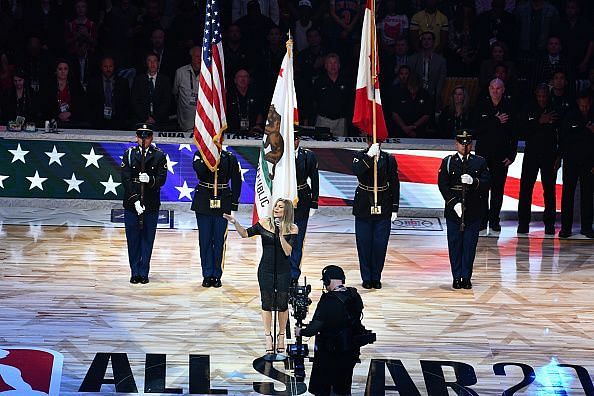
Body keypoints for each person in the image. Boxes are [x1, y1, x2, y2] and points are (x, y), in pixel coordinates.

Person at [224, 199, 298, 354]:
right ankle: (268, 336)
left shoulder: (292, 228)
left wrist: (280, 234)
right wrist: (235, 222)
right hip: (266, 269)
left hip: (283, 271)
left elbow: (287, 251)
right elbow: (245, 234)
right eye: (276, 206)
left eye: (280, 207)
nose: (276, 208)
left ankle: (281, 335)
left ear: (287, 211)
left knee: (282, 304)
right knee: (267, 302)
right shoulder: (264, 223)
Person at [294, 265, 364, 396]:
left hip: (330, 354)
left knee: (326, 389)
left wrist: (301, 332)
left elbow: (314, 328)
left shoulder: (328, 301)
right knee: (344, 387)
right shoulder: (355, 295)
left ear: (328, 280)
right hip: (351, 352)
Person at [438, 131, 490, 290]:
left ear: (471, 145)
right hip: (454, 211)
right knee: (455, 245)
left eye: (468, 143)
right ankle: (456, 276)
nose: (465, 146)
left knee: (469, 246)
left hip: (473, 210)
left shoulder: (479, 162)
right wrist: (454, 204)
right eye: (462, 143)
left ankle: (466, 277)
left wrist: (474, 181)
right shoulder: (448, 162)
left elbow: (487, 182)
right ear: (456, 144)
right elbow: (443, 185)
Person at [121, 124, 168, 284]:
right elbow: (126, 179)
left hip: (150, 202)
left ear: (151, 138)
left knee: (148, 238)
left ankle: (144, 271)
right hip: (131, 202)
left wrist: (150, 180)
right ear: (136, 138)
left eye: (146, 137)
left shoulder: (159, 155)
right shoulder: (129, 154)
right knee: (133, 239)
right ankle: (135, 271)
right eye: (141, 137)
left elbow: (162, 179)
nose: (143, 140)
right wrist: (134, 201)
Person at [352, 139, 400, 289]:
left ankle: (376, 276)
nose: (376, 143)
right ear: (367, 141)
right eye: (372, 140)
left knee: (380, 244)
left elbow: (394, 182)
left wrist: (394, 208)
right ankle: (366, 277)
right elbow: (357, 171)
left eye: (378, 140)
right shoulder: (359, 156)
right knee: (364, 243)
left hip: (383, 204)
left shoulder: (389, 159)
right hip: (364, 205)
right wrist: (368, 157)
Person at [191, 148, 242, 288]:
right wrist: (210, 158)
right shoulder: (199, 155)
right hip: (203, 201)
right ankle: (207, 274)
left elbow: (237, 180)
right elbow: (200, 171)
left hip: (223, 201)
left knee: (219, 241)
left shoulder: (229, 157)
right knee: (205, 240)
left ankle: (217, 274)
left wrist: (234, 204)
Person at [474, 78, 517, 231]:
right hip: (483, 157)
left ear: (503, 90)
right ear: (489, 89)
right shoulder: (481, 106)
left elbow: (514, 133)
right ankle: (482, 220)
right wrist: (494, 120)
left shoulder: (510, 107)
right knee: (482, 190)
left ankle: (494, 220)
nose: (495, 91)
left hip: (501, 157)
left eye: (498, 88)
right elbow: (475, 129)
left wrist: (512, 155)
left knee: (498, 190)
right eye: (492, 87)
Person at [517, 85, 559, 235]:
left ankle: (549, 223)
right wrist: (539, 121)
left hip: (549, 155)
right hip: (531, 155)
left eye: (544, 96)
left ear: (548, 95)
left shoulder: (555, 108)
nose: (542, 99)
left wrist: (558, 157)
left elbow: (560, 134)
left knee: (549, 190)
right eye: (540, 96)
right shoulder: (528, 108)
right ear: (536, 95)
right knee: (526, 189)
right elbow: (521, 130)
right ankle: (523, 223)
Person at [558, 94, 594, 238]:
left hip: (589, 162)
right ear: (578, 103)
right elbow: (563, 139)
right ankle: (566, 228)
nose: (584, 108)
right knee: (567, 194)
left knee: (587, 195)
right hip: (571, 161)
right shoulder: (570, 116)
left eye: (586, 105)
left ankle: (586, 227)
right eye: (582, 105)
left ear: (590, 103)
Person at [289, 131, 319, 283]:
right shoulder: (280, 154)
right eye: (291, 138)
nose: (294, 141)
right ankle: (284, 273)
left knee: (298, 241)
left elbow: (314, 179)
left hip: (302, 200)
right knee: (285, 239)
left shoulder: (308, 156)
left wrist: (314, 201)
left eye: (296, 138)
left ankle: (294, 274)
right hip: (285, 202)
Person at [86, 56, 131, 130]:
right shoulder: (93, 83)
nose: (108, 69)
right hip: (97, 122)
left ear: (114, 67)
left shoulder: (123, 82)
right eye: (105, 66)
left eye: (110, 66)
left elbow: (127, 103)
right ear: (101, 67)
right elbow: (89, 103)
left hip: (118, 122)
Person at [130, 53, 172, 128]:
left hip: (161, 121)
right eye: (150, 61)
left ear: (158, 63)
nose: (152, 64)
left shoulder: (165, 80)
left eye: (155, 61)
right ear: (146, 63)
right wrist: (145, 117)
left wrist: (155, 118)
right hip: (141, 120)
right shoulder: (138, 80)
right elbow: (135, 101)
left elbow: (167, 101)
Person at [173, 46, 201, 132]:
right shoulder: (180, 72)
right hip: (185, 121)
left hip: (203, 121)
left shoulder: (209, 73)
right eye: (197, 56)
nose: (199, 59)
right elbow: (175, 93)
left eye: (201, 56)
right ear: (191, 57)